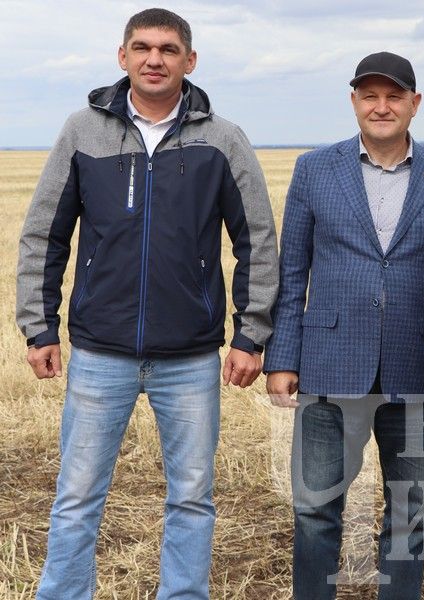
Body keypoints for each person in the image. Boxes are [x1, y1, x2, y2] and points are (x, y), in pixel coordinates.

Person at [16, 8, 278, 599]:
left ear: (190, 60)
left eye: (167, 49)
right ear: (122, 56)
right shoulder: (83, 131)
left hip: (190, 358)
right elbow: (44, 235)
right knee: (78, 495)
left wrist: (250, 335)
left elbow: (258, 239)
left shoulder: (223, 139)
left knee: (191, 496)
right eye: (142, 47)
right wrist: (39, 328)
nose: (154, 59)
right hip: (98, 352)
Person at [264, 51, 424, 599]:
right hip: (330, 362)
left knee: (409, 510)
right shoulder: (314, 169)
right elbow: (293, 269)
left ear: (415, 104)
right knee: (315, 506)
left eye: (394, 95)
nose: (382, 106)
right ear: (353, 101)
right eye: (370, 95)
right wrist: (282, 357)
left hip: (415, 368)